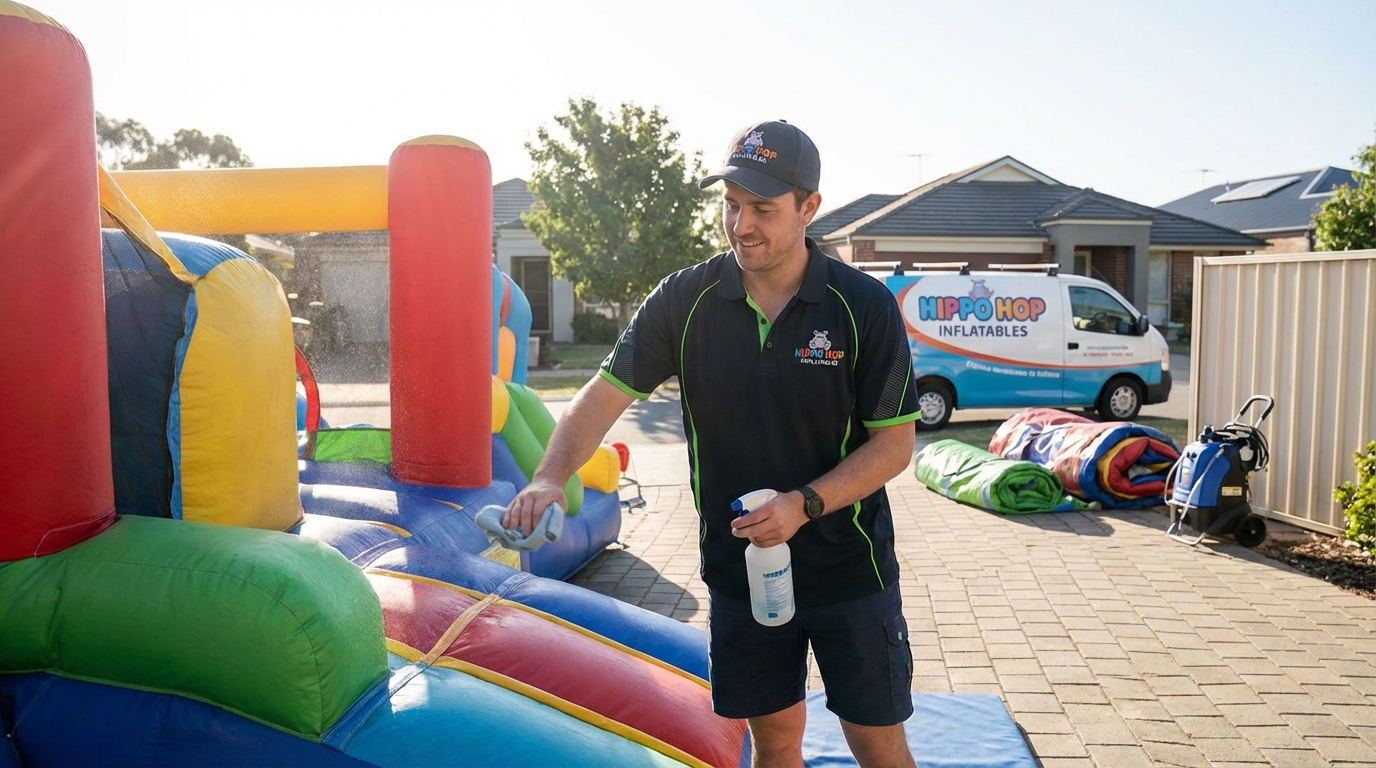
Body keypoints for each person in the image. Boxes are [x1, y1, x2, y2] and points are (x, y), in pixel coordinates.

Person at [504, 120, 920, 768]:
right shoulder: (684, 299)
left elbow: (894, 446)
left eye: (762, 209)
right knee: (774, 744)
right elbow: (603, 395)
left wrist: (803, 504)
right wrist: (549, 476)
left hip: (850, 569)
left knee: (878, 746)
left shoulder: (862, 307)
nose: (740, 224)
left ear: (808, 208)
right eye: (730, 204)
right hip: (740, 571)